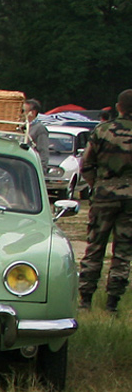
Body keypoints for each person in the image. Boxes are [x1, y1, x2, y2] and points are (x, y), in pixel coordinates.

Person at [77, 88, 132, 314]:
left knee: (95, 247)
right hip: (130, 198)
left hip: (103, 196)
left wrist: (97, 185)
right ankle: (112, 303)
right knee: (123, 251)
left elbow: (86, 164)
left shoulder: (102, 130)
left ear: (118, 107)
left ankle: (86, 300)